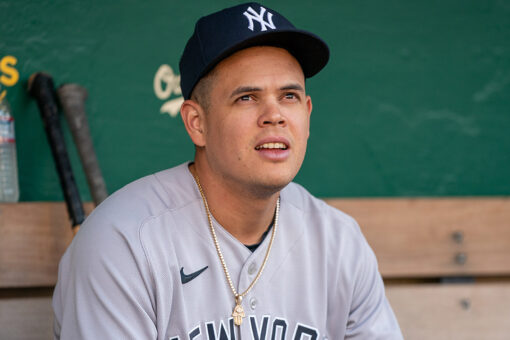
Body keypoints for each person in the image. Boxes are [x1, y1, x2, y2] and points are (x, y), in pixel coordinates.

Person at [53, 2, 403, 339]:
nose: (275, 114)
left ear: (307, 114)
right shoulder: (124, 242)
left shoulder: (340, 243)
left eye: (289, 96)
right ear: (197, 123)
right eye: (247, 97)